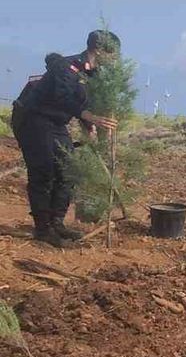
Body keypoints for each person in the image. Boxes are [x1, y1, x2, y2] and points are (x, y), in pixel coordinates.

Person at [11, 30, 120, 247]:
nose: (116, 59)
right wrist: (87, 116)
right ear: (98, 50)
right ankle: (43, 229)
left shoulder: (93, 75)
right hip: (33, 118)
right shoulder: (66, 66)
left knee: (68, 170)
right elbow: (64, 97)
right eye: (113, 53)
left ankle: (57, 222)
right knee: (44, 170)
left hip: (56, 123)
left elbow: (84, 103)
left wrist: (88, 126)